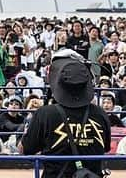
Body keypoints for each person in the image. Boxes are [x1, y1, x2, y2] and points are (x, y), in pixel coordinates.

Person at [20, 49, 110, 178]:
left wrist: (30, 122)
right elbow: (105, 148)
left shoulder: (45, 114)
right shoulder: (100, 114)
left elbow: (25, 150)